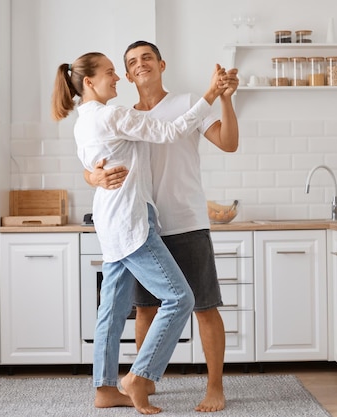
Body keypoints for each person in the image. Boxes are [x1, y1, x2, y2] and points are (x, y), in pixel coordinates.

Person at [51, 51, 231, 414]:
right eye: (111, 72)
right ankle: (139, 375)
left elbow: (92, 166)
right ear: (89, 82)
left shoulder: (82, 121)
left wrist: (93, 176)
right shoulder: (114, 114)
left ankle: (104, 388)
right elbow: (171, 131)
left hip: (111, 222)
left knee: (113, 310)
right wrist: (210, 94)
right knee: (180, 299)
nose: (117, 77)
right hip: (132, 220)